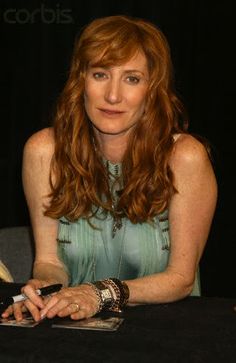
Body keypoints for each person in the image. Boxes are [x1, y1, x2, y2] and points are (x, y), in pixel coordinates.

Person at [2, 15, 217, 322]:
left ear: (152, 89)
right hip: (76, 325)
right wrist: (42, 289)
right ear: (81, 80)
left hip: (167, 330)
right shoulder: (44, 152)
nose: (113, 95)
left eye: (132, 79)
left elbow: (181, 278)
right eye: (101, 74)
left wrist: (100, 293)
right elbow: (50, 262)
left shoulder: (184, 158)